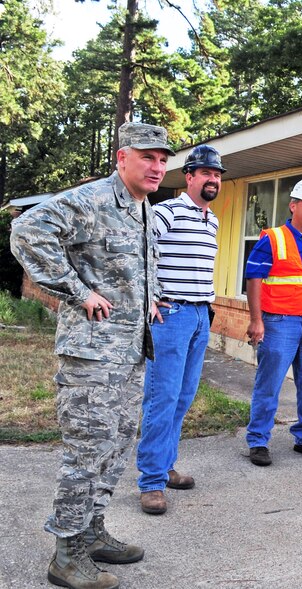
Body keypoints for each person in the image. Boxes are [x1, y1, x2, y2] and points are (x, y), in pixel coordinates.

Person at [10, 123, 173, 589]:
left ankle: (92, 530)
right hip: (92, 356)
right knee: (86, 451)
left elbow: (137, 267)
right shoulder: (93, 199)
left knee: (117, 444)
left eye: (163, 159)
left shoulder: (142, 208)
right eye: (148, 157)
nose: (157, 167)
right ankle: (66, 553)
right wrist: (78, 291)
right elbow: (26, 231)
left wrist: (152, 298)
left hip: (127, 353)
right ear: (122, 157)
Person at [137, 145, 225, 515]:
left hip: (201, 316)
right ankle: (151, 481)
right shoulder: (166, 211)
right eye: (205, 173)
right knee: (163, 397)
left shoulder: (214, 220)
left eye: (217, 174)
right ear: (189, 177)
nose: (212, 180)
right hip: (171, 316)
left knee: (184, 397)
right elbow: (140, 250)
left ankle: (166, 465)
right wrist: (149, 297)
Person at [244, 178, 302, 466]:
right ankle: (258, 440)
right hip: (279, 323)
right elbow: (254, 279)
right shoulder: (272, 238)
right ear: (293, 205)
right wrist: (256, 320)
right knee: (269, 383)